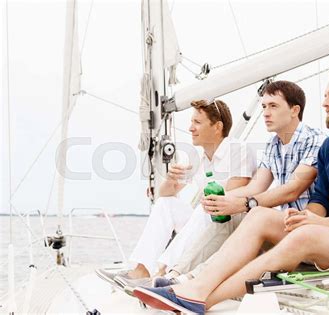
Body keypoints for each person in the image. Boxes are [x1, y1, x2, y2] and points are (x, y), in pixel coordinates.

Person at [133, 67, 329, 313]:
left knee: (305, 232)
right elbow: (322, 199)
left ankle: (201, 299)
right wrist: (305, 217)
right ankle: (194, 284)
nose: (324, 103)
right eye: (326, 95)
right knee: (259, 217)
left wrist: (321, 222)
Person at [149, 80, 325, 287]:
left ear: (295, 110)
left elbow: (293, 190)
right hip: (286, 226)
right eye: (264, 107)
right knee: (230, 213)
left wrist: (242, 204)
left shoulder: (314, 139)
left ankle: (194, 279)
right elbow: (256, 187)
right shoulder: (273, 145)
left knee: (248, 212)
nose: (266, 113)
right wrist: (221, 201)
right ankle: (177, 275)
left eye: (273, 106)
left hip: (311, 229)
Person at [96, 99, 256, 287]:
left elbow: (233, 198)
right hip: (206, 222)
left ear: (217, 127)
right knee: (167, 205)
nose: (190, 128)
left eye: (197, 122)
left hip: (232, 228)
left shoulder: (238, 150)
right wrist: (171, 179)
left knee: (206, 206)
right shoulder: (200, 159)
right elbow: (163, 196)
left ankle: (165, 272)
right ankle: (142, 270)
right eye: (191, 122)